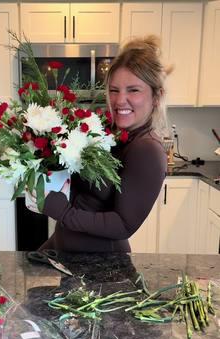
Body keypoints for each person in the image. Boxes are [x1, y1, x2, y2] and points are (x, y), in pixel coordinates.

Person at [38, 35, 170, 252]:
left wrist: (64, 214)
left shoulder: (147, 150)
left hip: (104, 272)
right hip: (72, 260)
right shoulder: (114, 134)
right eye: (114, 90)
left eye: (133, 90)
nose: (119, 100)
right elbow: (86, 201)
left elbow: (123, 224)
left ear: (156, 96)